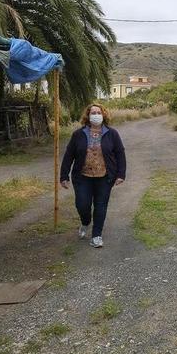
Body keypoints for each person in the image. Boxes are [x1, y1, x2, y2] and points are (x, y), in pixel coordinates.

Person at [60, 104, 126, 248]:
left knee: (101, 206)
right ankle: (85, 221)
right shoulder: (78, 134)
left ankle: (96, 235)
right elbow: (69, 155)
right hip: (82, 177)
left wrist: (121, 174)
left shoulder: (112, 133)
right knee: (82, 204)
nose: (96, 115)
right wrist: (64, 175)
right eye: (93, 112)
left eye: (98, 112)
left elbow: (120, 153)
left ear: (103, 114)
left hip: (104, 177)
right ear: (88, 116)